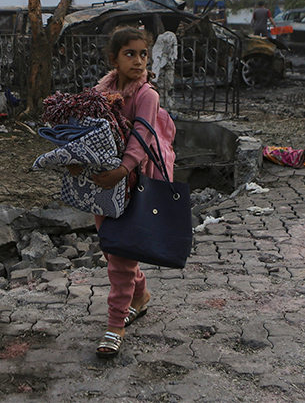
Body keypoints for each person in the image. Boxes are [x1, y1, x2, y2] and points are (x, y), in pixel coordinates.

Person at [78, 26, 176, 359]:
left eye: (143, 54)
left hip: (134, 181)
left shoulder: (147, 95)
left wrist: (123, 169)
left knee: (120, 257)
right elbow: (91, 132)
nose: (138, 61)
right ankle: (141, 296)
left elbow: (142, 137)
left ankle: (115, 324)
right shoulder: (100, 92)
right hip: (104, 182)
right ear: (114, 59)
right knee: (113, 246)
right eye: (129, 54)